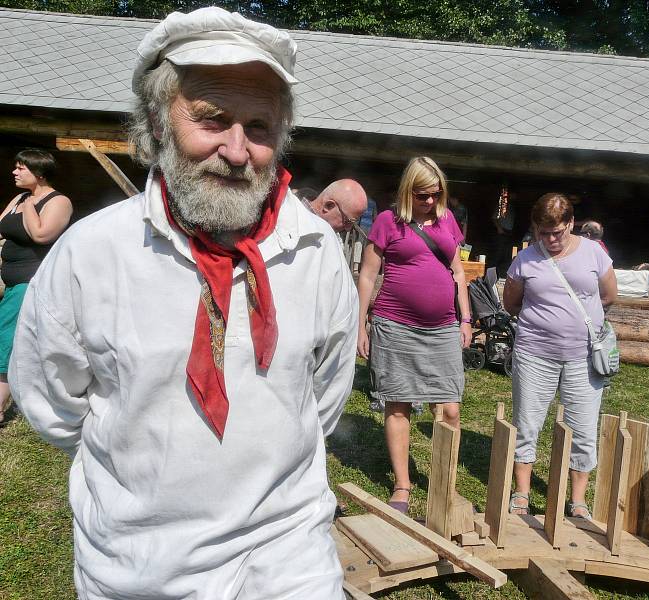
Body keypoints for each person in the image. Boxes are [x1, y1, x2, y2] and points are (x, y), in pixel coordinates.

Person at [10, 8, 357, 600]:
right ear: (157, 121)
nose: (237, 149)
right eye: (211, 119)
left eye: (260, 126)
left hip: (288, 563)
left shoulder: (316, 250)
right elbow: (50, 401)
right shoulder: (94, 252)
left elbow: (323, 394)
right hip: (137, 568)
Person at [356, 156, 471, 514]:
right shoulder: (388, 222)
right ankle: (402, 484)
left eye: (436, 195)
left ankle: (444, 482)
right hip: (395, 325)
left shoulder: (447, 220)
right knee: (398, 403)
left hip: (442, 328)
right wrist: (360, 323)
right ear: (408, 191)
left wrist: (466, 319)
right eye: (423, 195)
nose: (430, 202)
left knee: (450, 407)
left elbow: (458, 271)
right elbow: (367, 275)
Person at [503, 193, 617, 518]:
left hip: (583, 358)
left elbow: (609, 295)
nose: (551, 240)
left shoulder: (594, 253)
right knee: (528, 422)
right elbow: (511, 303)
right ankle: (522, 493)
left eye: (558, 232)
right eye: (544, 233)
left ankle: (578, 500)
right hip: (534, 354)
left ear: (571, 224)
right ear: (536, 228)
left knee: (582, 426)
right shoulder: (525, 259)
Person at [0, 149, 72, 423]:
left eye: (21, 168)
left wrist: (30, 206)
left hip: (31, 282)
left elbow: (42, 234)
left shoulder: (58, 201)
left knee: (5, 341)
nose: (14, 172)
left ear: (39, 173)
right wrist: (24, 202)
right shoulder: (19, 198)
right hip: (11, 281)